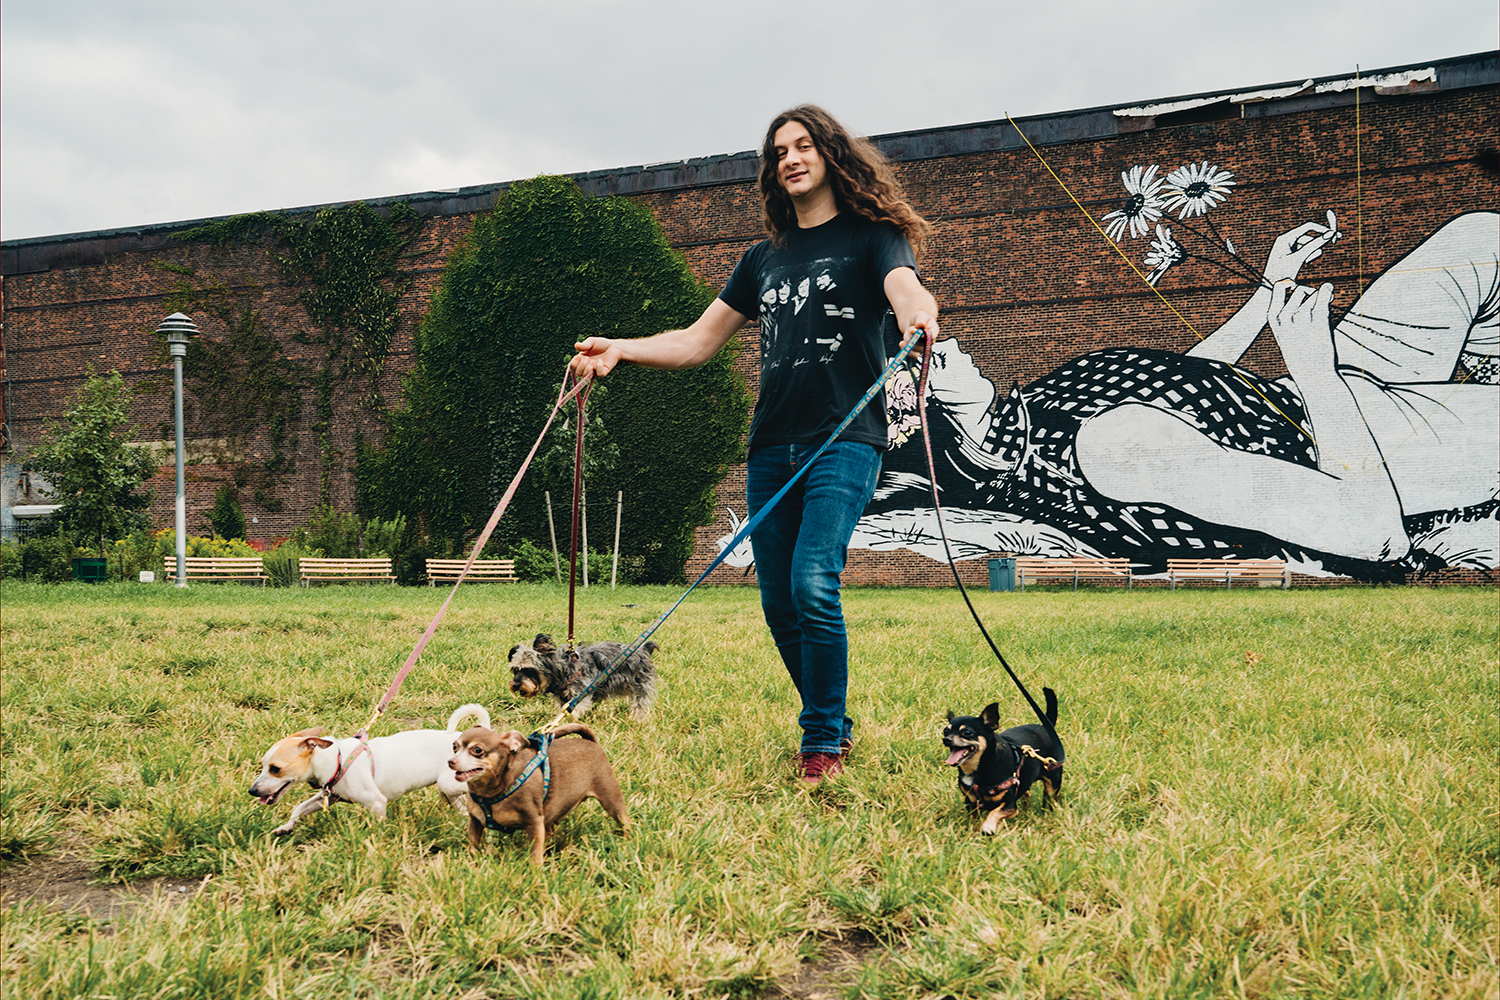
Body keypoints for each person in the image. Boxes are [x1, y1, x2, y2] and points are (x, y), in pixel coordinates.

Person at [570, 105, 939, 784]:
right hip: (773, 446)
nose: (791, 159)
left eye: (803, 146)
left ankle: (821, 739)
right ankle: (835, 719)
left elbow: (904, 286)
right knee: (777, 600)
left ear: (830, 155)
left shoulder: (872, 238)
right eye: (779, 152)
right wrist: (619, 349)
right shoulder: (761, 259)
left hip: (845, 440)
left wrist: (918, 312)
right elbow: (696, 341)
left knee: (811, 583)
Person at [862, 211, 1498, 580]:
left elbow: (1178, 380)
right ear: (927, 426)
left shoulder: (1039, 412)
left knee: (1478, 239)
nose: (922, 344)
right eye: (907, 371)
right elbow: (1372, 533)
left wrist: (1269, 291)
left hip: (1314, 390)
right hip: (1364, 444)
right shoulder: (1107, 452)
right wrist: (1314, 366)